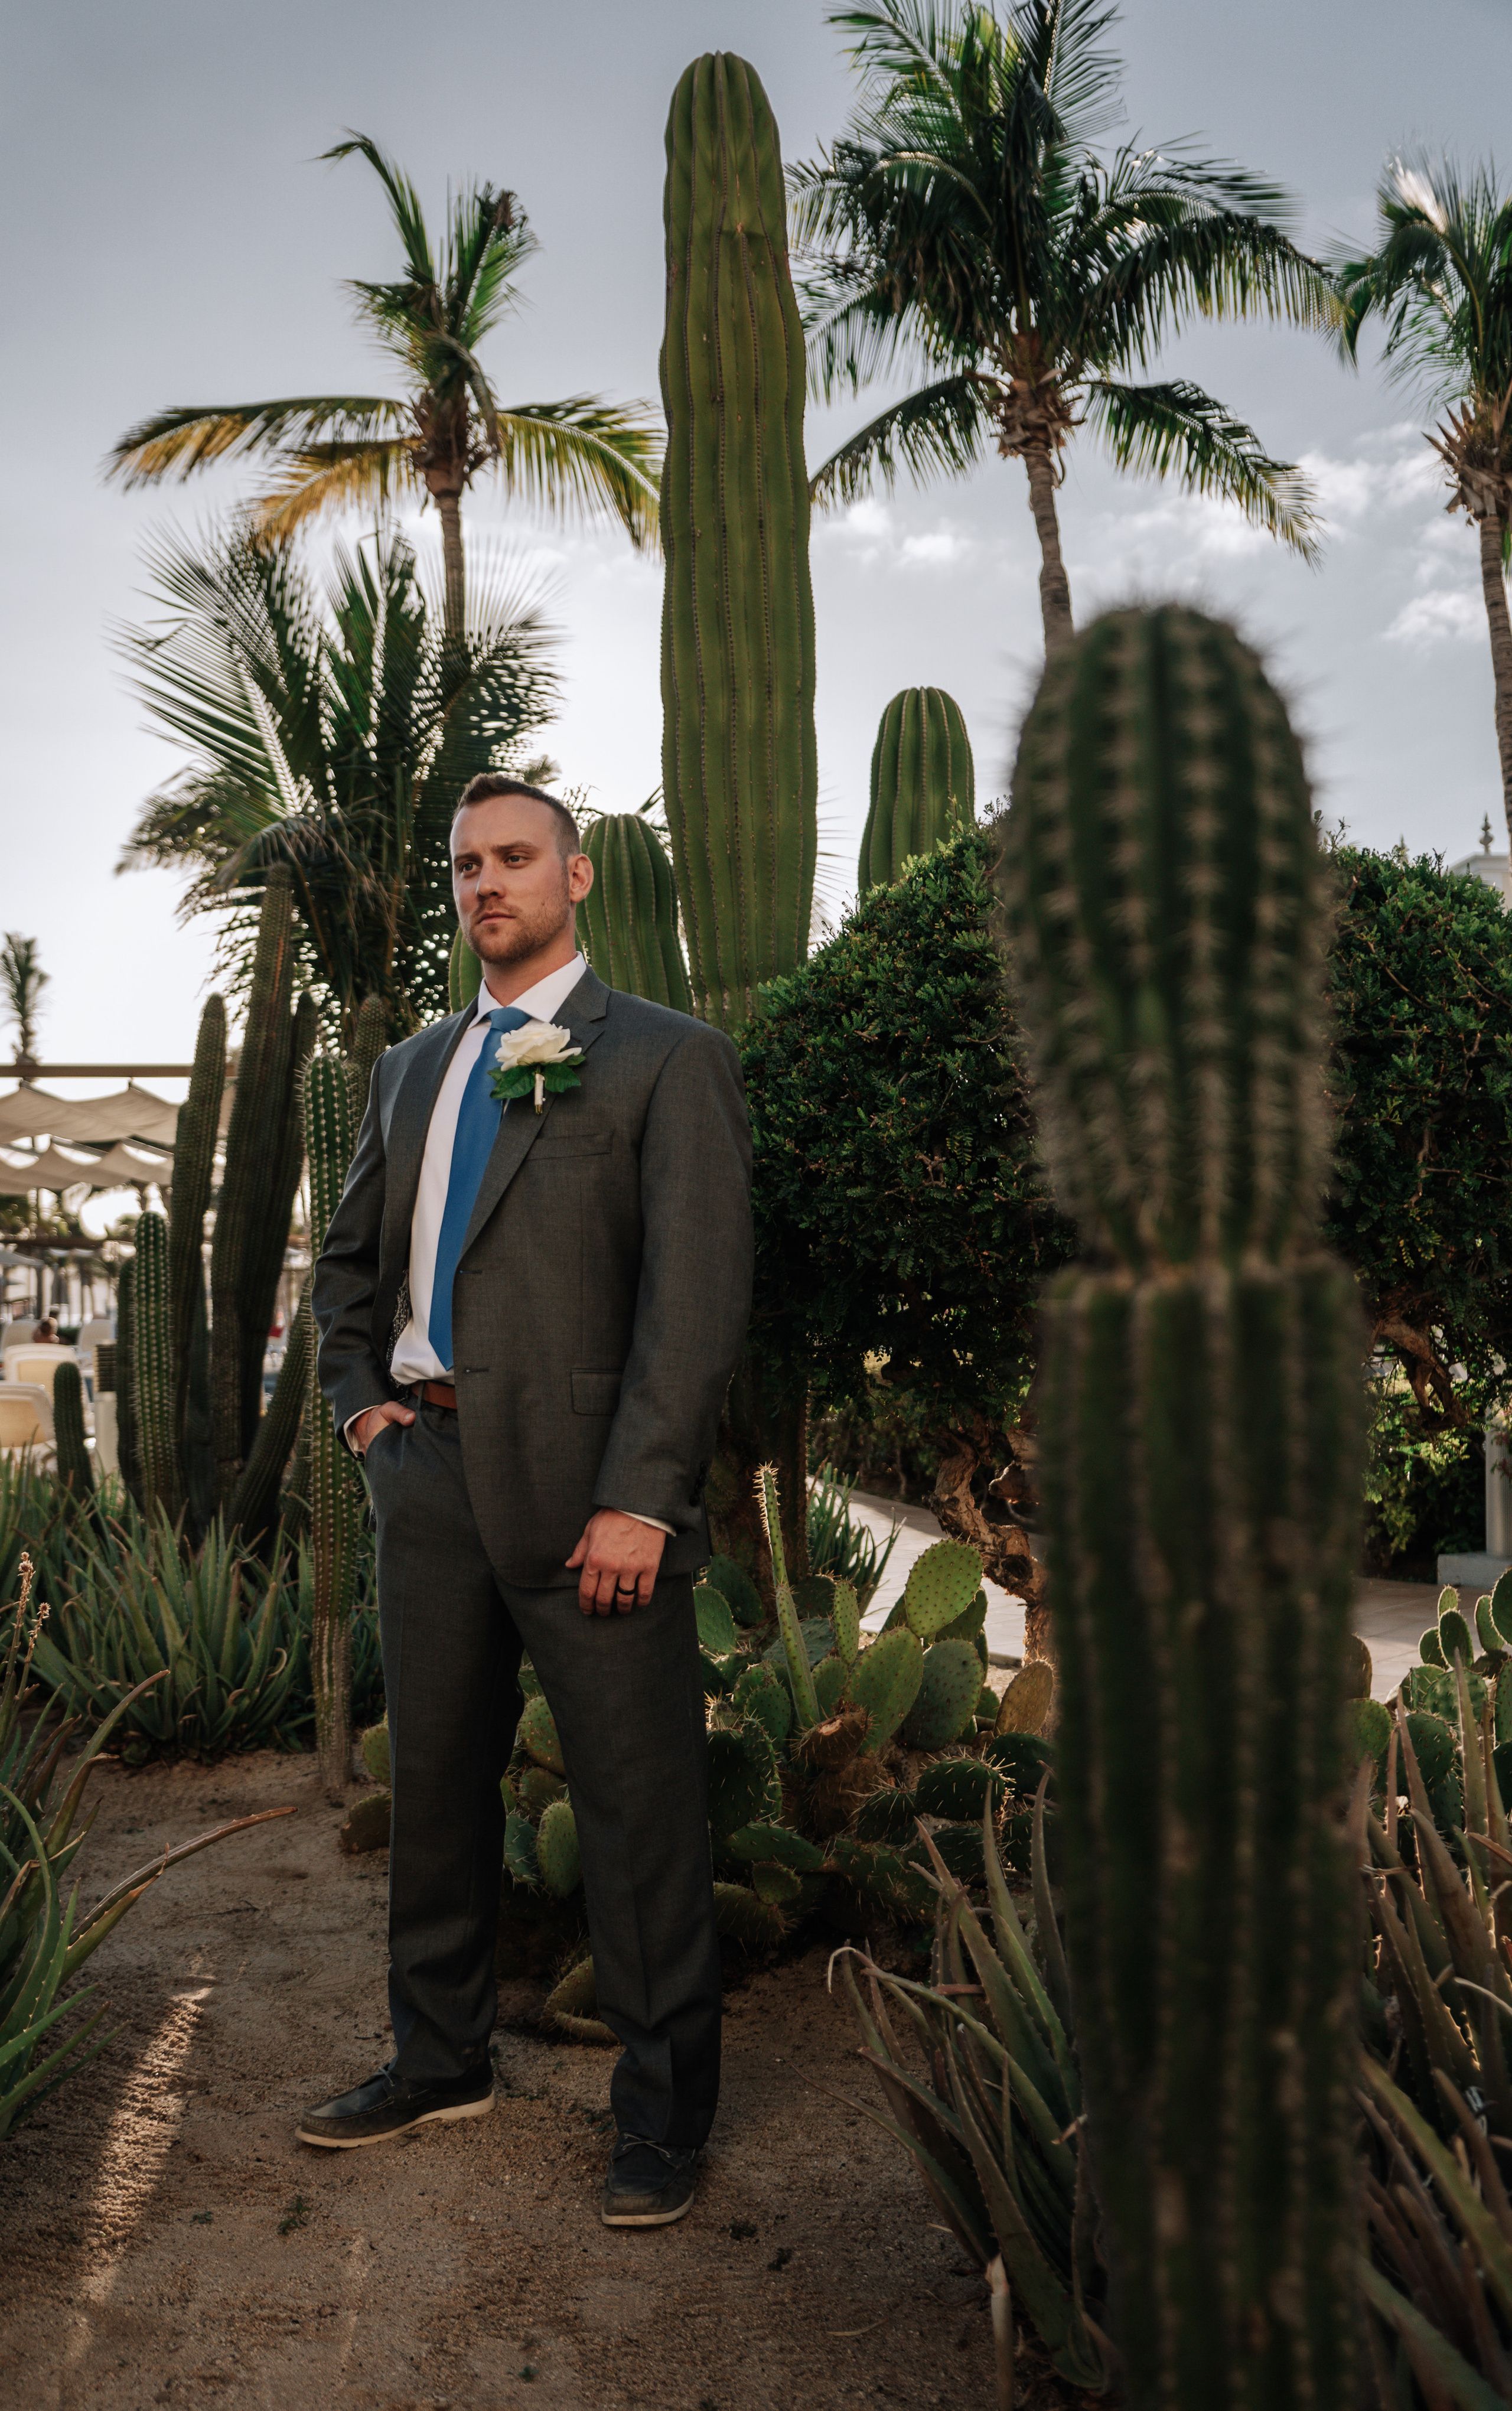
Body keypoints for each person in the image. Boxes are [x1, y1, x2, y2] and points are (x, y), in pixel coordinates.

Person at [305, 774, 753, 2230]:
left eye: (513, 858)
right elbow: (351, 1268)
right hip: (424, 1475)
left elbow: (692, 1303)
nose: (484, 882)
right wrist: (367, 1409)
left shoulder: (666, 1060)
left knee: (637, 1812)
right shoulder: (409, 1068)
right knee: (432, 1788)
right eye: (464, 864)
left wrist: (642, 1498)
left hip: (589, 1501)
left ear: (575, 879)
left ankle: (662, 2112)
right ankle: (438, 2061)